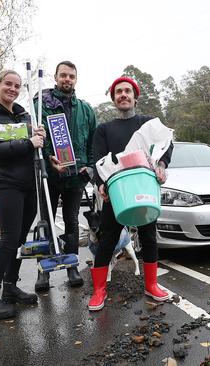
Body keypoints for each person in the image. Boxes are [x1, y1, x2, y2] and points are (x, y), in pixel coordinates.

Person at [88, 76, 172, 311]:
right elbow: (98, 160)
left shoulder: (148, 123)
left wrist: (162, 165)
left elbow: (167, 144)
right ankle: (99, 290)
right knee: (108, 239)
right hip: (117, 190)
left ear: (135, 97)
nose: (123, 95)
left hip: (144, 187)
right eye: (118, 92)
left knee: (148, 236)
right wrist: (101, 183)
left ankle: (151, 284)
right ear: (114, 99)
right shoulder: (104, 129)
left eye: (127, 91)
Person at [0, 70, 45, 319]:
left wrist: (40, 140)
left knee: (19, 241)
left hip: (29, 185)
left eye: (17, 86)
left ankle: (10, 287)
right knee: (9, 238)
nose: (13, 89)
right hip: (6, 185)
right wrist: (28, 142)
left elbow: (32, 147)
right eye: (8, 84)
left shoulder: (24, 116)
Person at [33, 61, 97, 291]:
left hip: (75, 177)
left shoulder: (86, 110)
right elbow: (37, 137)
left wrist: (89, 168)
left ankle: (71, 266)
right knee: (47, 222)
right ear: (56, 77)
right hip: (48, 174)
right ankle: (44, 271)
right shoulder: (41, 104)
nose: (67, 79)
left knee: (71, 223)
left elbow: (93, 142)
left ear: (76, 79)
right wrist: (49, 157)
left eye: (71, 76)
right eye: (63, 75)